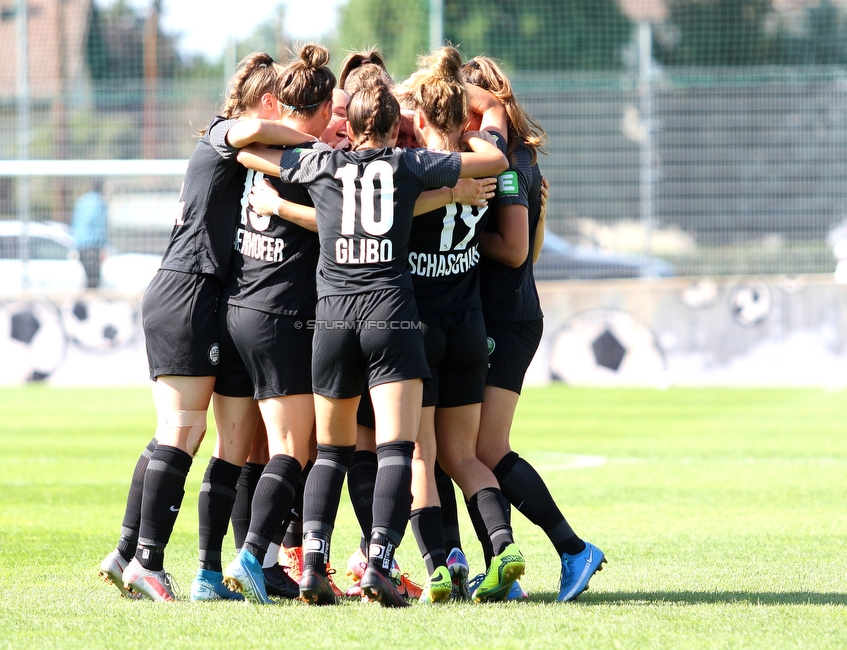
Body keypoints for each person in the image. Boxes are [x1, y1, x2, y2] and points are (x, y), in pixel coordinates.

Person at [237, 79, 508, 607]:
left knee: (331, 452)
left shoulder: (321, 163)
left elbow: (254, 154)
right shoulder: (408, 166)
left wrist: (268, 168)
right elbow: (494, 164)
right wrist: (479, 141)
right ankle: (378, 563)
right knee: (396, 449)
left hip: (333, 319)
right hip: (392, 316)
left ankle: (312, 563)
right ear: (392, 127)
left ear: (353, 125)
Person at [97, 51, 316, 602]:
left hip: (197, 294)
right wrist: (301, 135)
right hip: (188, 291)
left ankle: (128, 550)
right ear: (269, 103)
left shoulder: (243, 152)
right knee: (183, 431)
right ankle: (147, 560)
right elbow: (246, 128)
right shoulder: (225, 133)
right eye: (282, 109)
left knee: (184, 432)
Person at [463, 55, 606, 603]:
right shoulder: (515, 155)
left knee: (482, 450)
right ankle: (503, 570)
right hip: (508, 312)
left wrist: (461, 236)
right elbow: (533, 252)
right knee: (468, 450)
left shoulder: (502, 159)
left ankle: (572, 549)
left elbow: (515, 250)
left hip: (506, 319)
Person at [399, 45, 526, 604]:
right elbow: (495, 127)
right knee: (465, 454)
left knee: (422, 456)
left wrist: (425, 82)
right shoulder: (483, 164)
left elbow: (390, 105)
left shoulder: (414, 169)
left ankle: (439, 567)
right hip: (470, 327)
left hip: (421, 328)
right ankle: (503, 548)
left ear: (421, 117)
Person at [212, 43, 336, 605]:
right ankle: (252, 557)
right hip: (282, 315)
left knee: (250, 450)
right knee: (295, 447)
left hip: (239, 309)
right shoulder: (308, 161)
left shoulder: (260, 143)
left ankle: (239, 565)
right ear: (321, 107)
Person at [71, 180, 108, 289]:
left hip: (81, 246)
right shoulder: (99, 203)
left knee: (89, 279)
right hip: (93, 246)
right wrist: (103, 247)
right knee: (94, 281)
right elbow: (101, 227)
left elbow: (75, 223)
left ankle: (84, 303)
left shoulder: (82, 201)